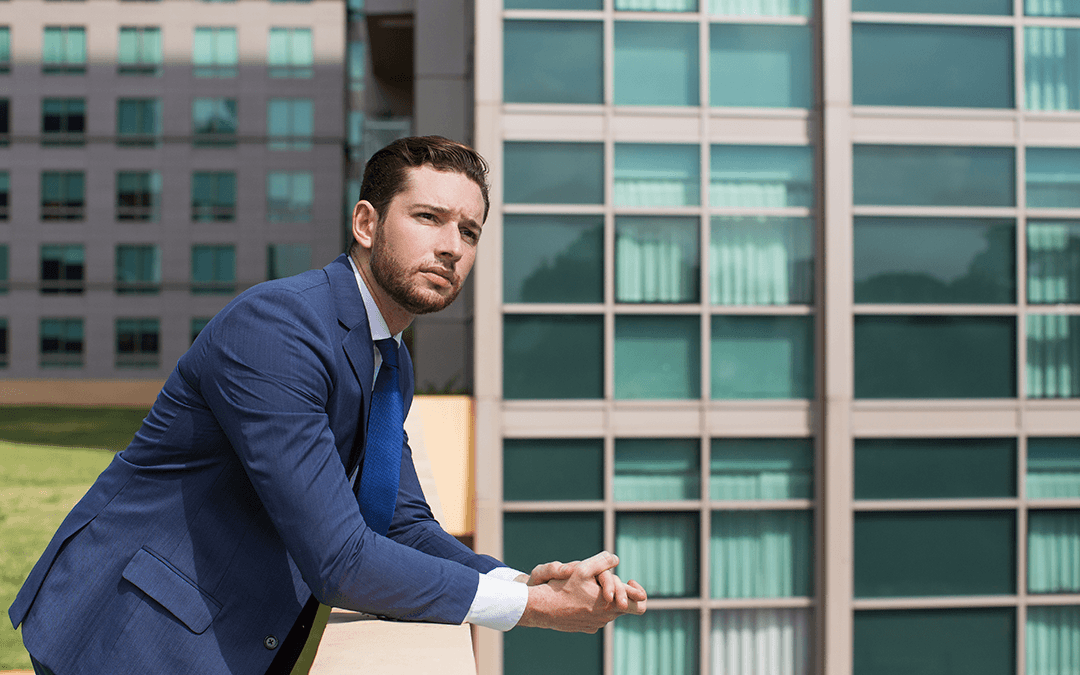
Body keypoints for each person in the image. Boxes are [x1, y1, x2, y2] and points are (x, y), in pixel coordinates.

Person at [9, 136, 646, 675]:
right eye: (428, 218)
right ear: (366, 224)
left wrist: (518, 583)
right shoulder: (278, 327)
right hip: (134, 630)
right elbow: (341, 558)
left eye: (469, 230)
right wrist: (532, 612)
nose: (452, 246)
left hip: (223, 633)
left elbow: (397, 522)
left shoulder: (389, 358)